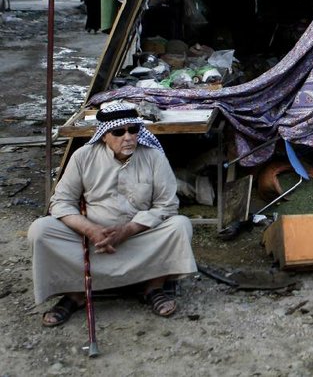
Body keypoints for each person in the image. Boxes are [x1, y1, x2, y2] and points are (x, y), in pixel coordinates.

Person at [28, 103, 197, 326]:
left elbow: (166, 206)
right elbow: (61, 202)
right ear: (104, 135)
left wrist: (128, 230)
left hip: (138, 237)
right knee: (40, 230)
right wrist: (91, 230)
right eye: (119, 132)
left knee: (180, 226)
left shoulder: (153, 157)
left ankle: (153, 287)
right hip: (91, 241)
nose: (128, 137)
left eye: (133, 130)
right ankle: (75, 293)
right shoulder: (83, 157)